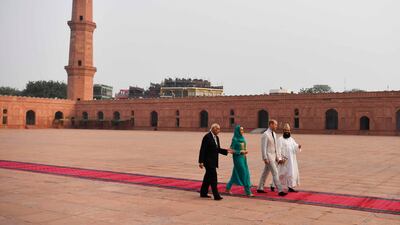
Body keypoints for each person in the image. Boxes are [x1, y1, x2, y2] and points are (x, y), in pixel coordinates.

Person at [199, 123, 234, 200]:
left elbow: (217, 149)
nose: (219, 131)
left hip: (214, 161)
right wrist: (201, 161)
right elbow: (202, 149)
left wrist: (226, 151)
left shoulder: (216, 138)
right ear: (213, 129)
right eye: (218, 129)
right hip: (208, 161)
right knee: (213, 178)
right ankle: (216, 195)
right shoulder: (207, 137)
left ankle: (203, 192)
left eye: (219, 129)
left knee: (207, 177)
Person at [257, 119, 287, 196]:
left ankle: (260, 187)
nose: (276, 126)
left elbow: (276, 147)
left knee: (265, 173)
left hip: (273, 157)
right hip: (269, 157)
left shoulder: (274, 133)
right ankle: (280, 190)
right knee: (275, 172)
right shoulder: (265, 134)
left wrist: (278, 157)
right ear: (271, 124)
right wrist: (264, 158)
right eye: (275, 125)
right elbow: (263, 147)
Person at [225, 125, 253, 197]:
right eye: (241, 130)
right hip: (237, 158)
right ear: (237, 131)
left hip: (243, 158)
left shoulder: (242, 138)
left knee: (235, 174)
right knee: (244, 173)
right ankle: (248, 191)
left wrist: (245, 151)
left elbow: (244, 147)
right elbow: (231, 150)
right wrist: (240, 152)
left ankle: (227, 188)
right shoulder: (235, 139)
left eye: (243, 130)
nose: (242, 131)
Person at [276, 123, 302, 192]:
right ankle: (273, 185)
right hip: (284, 160)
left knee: (291, 173)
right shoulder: (280, 139)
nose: (287, 132)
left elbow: (295, 146)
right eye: (286, 131)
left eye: (288, 131)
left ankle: (290, 187)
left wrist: (298, 146)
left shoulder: (291, 139)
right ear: (283, 131)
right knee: (282, 173)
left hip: (292, 160)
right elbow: (278, 150)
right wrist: (279, 159)